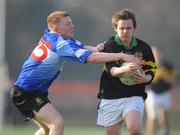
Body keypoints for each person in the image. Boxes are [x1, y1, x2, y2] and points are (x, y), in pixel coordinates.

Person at [10, 10, 140, 135]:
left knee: (47, 130)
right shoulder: (60, 45)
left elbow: (83, 48)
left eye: (71, 22)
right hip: (26, 92)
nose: (73, 26)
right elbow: (91, 58)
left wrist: (97, 49)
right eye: (68, 24)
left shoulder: (51, 35)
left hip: (32, 91)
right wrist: (120, 56)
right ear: (55, 27)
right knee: (57, 124)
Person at [96, 9, 156, 135]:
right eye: (122, 28)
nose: (125, 31)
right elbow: (112, 70)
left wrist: (146, 79)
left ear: (134, 28)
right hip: (110, 95)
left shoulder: (144, 47)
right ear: (115, 28)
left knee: (134, 128)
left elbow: (151, 70)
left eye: (128, 28)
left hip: (134, 95)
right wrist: (125, 69)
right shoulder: (109, 46)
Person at [145, 47, 177, 135]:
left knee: (163, 114)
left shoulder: (167, 65)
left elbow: (174, 79)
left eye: (157, 53)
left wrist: (164, 77)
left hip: (164, 92)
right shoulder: (147, 65)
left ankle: (165, 131)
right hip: (151, 93)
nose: (156, 55)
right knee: (152, 117)